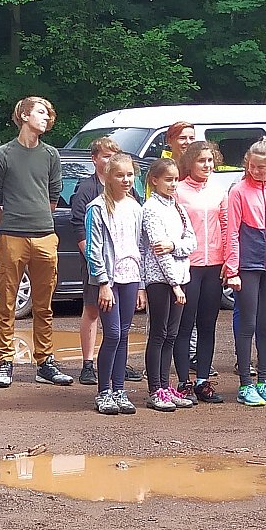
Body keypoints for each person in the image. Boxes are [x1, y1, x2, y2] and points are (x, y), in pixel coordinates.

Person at [0, 97, 72, 388]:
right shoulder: (3, 155)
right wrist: (10, 226)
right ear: (24, 115)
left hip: (45, 236)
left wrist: (37, 221)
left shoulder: (51, 155)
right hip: (12, 237)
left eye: (49, 113)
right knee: (6, 302)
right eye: (41, 112)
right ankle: (5, 362)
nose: (47, 118)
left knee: (44, 305)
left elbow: (53, 197)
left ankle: (45, 362)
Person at [223, 139, 266, 406]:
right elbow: (231, 232)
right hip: (247, 264)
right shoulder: (238, 191)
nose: (256, 171)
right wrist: (232, 269)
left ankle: (263, 381)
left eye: (261, 167)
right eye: (252, 166)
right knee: (248, 323)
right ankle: (245, 384)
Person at [83, 152, 143, 415]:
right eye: (120, 175)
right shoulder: (96, 208)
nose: (126, 180)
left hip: (131, 276)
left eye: (130, 175)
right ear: (108, 177)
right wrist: (103, 283)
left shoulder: (135, 207)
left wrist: (142, 284)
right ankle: (104, 391)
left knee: (125, 334)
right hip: (108, 280)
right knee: (114, 333)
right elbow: (93, 250)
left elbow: (141, 246)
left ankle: (119, 389)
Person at [172, 139, 230, 402]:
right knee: (185, 324)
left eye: (210, 160)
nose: (207, 165)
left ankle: (203, 381)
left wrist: (229, 261)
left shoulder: (218, 191)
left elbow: (226, 226)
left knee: (208, 324)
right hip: (188, 265)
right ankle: (183, 381)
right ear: (190, 163)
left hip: (214, 265)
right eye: (201, 161)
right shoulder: (178, 191)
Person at [139, 157, 195, 412]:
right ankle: (155, 389)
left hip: (181, 277)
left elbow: (191, 242)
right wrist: (174, 284)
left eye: (176, 180)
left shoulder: (178, 208)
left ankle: (165, 384)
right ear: (155, 180)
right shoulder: (151, 209)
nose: (173, 184)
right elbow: (158, 250)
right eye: (168, 180)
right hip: (161, 280)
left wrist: (174, 246)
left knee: (172, 334)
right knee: (159, 333)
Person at [70, 136, 119, 387]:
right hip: (95, 264)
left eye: (114, 156)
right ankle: (88, 364)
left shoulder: (125, 188)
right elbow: (79, 228)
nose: (110, 161)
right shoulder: (87, 189)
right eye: (106, 156)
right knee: (92, 310)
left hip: (121, 264)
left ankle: (117, 362)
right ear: (94, 159)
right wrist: (93, 262)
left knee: (118, 314)